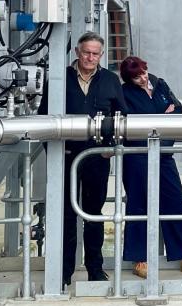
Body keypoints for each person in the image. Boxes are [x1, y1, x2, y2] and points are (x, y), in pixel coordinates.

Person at [38, 32, 125, 289]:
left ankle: (95, 269)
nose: (90, 58)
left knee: (94, 215)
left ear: (101, 55)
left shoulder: (110, 80)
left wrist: (112, 147)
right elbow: (44, 117)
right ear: (77, 51)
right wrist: (53, 150)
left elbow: (121, 117)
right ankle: (63, 272)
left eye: (95, 54)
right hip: (63, 158)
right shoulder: (59, 78)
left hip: (97, 159)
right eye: (86, 52)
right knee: (64, 215)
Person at [117, 57, 182, 278]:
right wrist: (162, 115)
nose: (142, 79)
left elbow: (178, 110)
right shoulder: (125, 92)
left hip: (164, 153)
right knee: (138, 206)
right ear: (129, 79)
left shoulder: (160, 84)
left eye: (143, 73)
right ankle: (140, 259)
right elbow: (130, 121)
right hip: (137, 156)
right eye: (136, 76)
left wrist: (163, 116)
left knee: (176, 202)